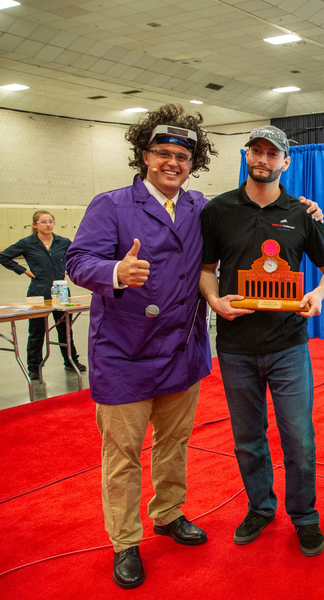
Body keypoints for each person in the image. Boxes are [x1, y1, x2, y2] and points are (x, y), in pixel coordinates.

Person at [66, 104, 217, 589]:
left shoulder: (197, 206)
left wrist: (304, 209)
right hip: (124, 353)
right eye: (163, 153)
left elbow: (244, 219)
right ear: (144, 155)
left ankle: (169, 513)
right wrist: (114, 272)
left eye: (182, 156)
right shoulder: (110, 205)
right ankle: (125, 541)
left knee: (173, 445)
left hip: (180, 350)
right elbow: (77, 260)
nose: (173, 163)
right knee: (123, 455)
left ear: (193, 162)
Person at [199, 125, 324, 557]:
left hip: (288, 345)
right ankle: (260, 507)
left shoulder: (301, 213)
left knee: (298, 438)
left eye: (271, 154)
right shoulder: (218, 210)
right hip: (235, 346)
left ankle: (305, 517)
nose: (263, 159)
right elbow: (207, 269)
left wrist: (317, 295)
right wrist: (214, 301)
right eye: (255, 151)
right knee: (247, 437)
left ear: (286, 161)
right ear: (246, 155)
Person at [1, 210, 85, 379]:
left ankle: (70, 360)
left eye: (50, 221)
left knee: (65, 329)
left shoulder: (63, 242)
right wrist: (23, 270)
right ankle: (34, 366)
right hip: (38, 291)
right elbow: (3, 256)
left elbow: (76, 256)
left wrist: (70, 269)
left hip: (61, 290)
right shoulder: (27, 243)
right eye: (44, 222)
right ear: (35, 225)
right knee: (36, 331)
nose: (48, 224)